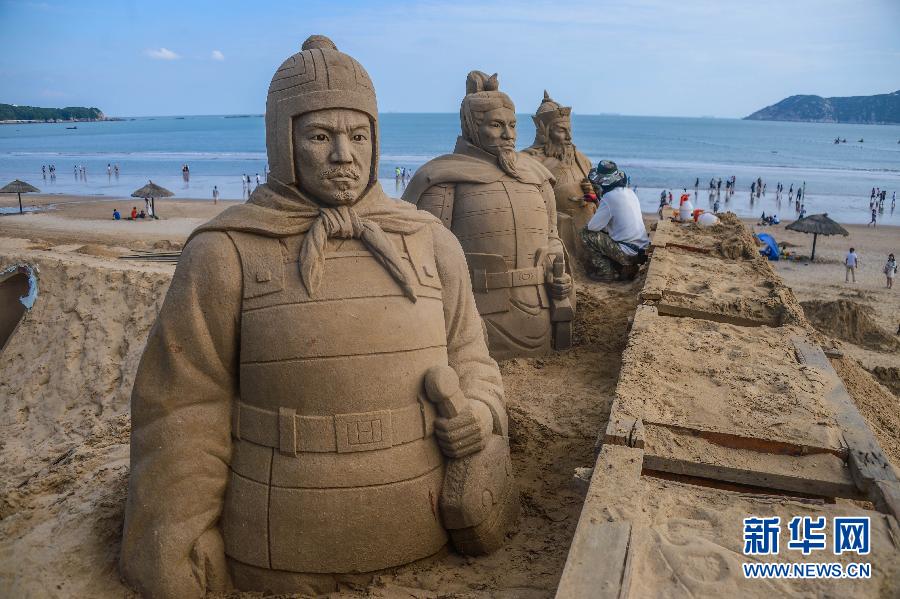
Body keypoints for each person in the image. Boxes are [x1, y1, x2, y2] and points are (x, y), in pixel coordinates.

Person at [121, 36, 513, 598]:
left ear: (376, 141)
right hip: (280, 540)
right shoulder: (227, 252)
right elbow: (183, 406)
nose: (343, 157)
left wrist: (479, 408)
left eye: (357, 136)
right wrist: (179, 536)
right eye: (319, 136)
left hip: (424, 521)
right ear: (284, 143)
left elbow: (472, 358)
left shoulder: (429, 241)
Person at [403, 70, 573, 360]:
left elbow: (552, 239)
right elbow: (426, 259)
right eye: (496, 125)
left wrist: (560, 275)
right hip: (479, 319)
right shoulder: (444, 179)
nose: (508, 135)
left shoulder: (536, 177)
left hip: (540, 313)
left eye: (512, 125)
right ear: (472, 126)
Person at [581, 160, 649, 282]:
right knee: (608, 233)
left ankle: (606, 272)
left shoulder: (608, 198)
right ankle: (625, 267)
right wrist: (597, 201)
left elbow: (592, 227)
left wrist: (600, 203)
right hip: (641, 250)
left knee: (585, 234)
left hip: (627, 252)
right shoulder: (630, 193)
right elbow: (616, 213)